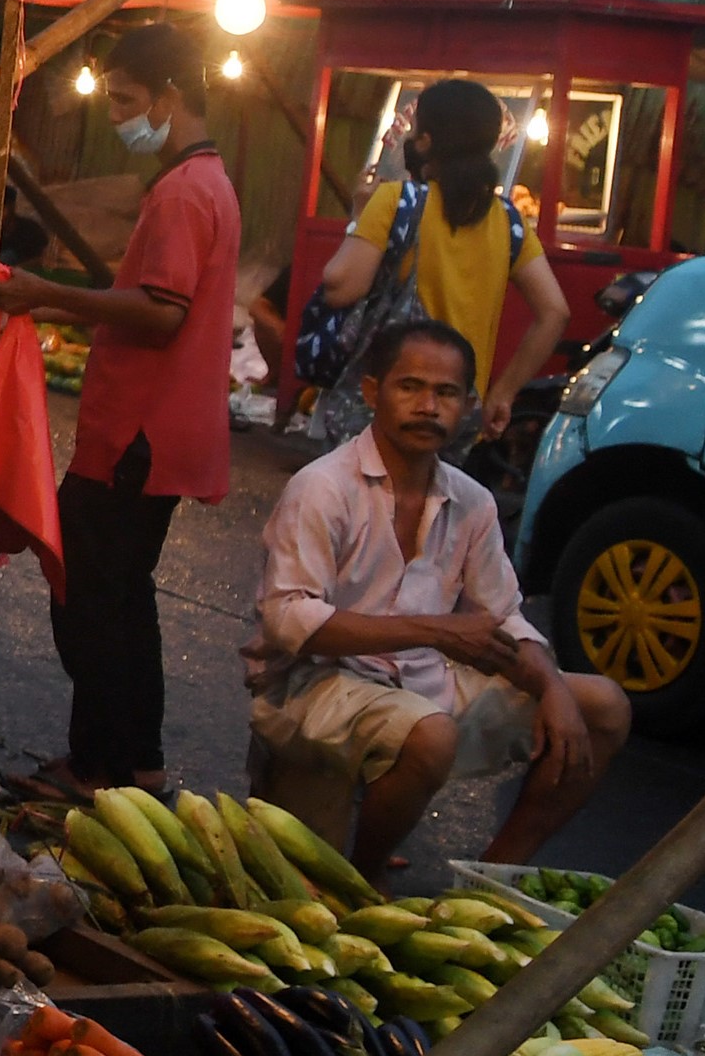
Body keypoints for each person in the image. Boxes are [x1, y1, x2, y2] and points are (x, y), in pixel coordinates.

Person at [249, 317, 630, 870]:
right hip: (313, 687)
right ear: (374, 392)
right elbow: (288, 620)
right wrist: (436, 631)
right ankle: (367, 873)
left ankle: (495, 873)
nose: (428, 407)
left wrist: (551, 687)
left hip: (423, 686)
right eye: (411, 387)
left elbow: (504, 617)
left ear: (469, 404)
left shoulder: (472, 502)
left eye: (446, 393)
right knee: (430, 735)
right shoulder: (322, 487)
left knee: (602, 708)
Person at [0, 19, 243, 793]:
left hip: (140, 432)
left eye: (127, 99)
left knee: (90, 600)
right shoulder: (208, 183)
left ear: (171, 95)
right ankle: (136, 761)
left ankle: (100, 764)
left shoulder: (181, 191)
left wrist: (45, 294)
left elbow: (162, 310)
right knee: (124, 600)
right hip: (161, 430)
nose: (117, 117)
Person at [315, 78, 568, 439]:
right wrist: (503, 393)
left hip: (388, 407)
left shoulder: (397, 201)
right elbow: (554, 312)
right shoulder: (509, 221)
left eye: (416, 131)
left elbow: (339, 286)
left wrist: (358, 214)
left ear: (426, 142)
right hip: (456, 413)